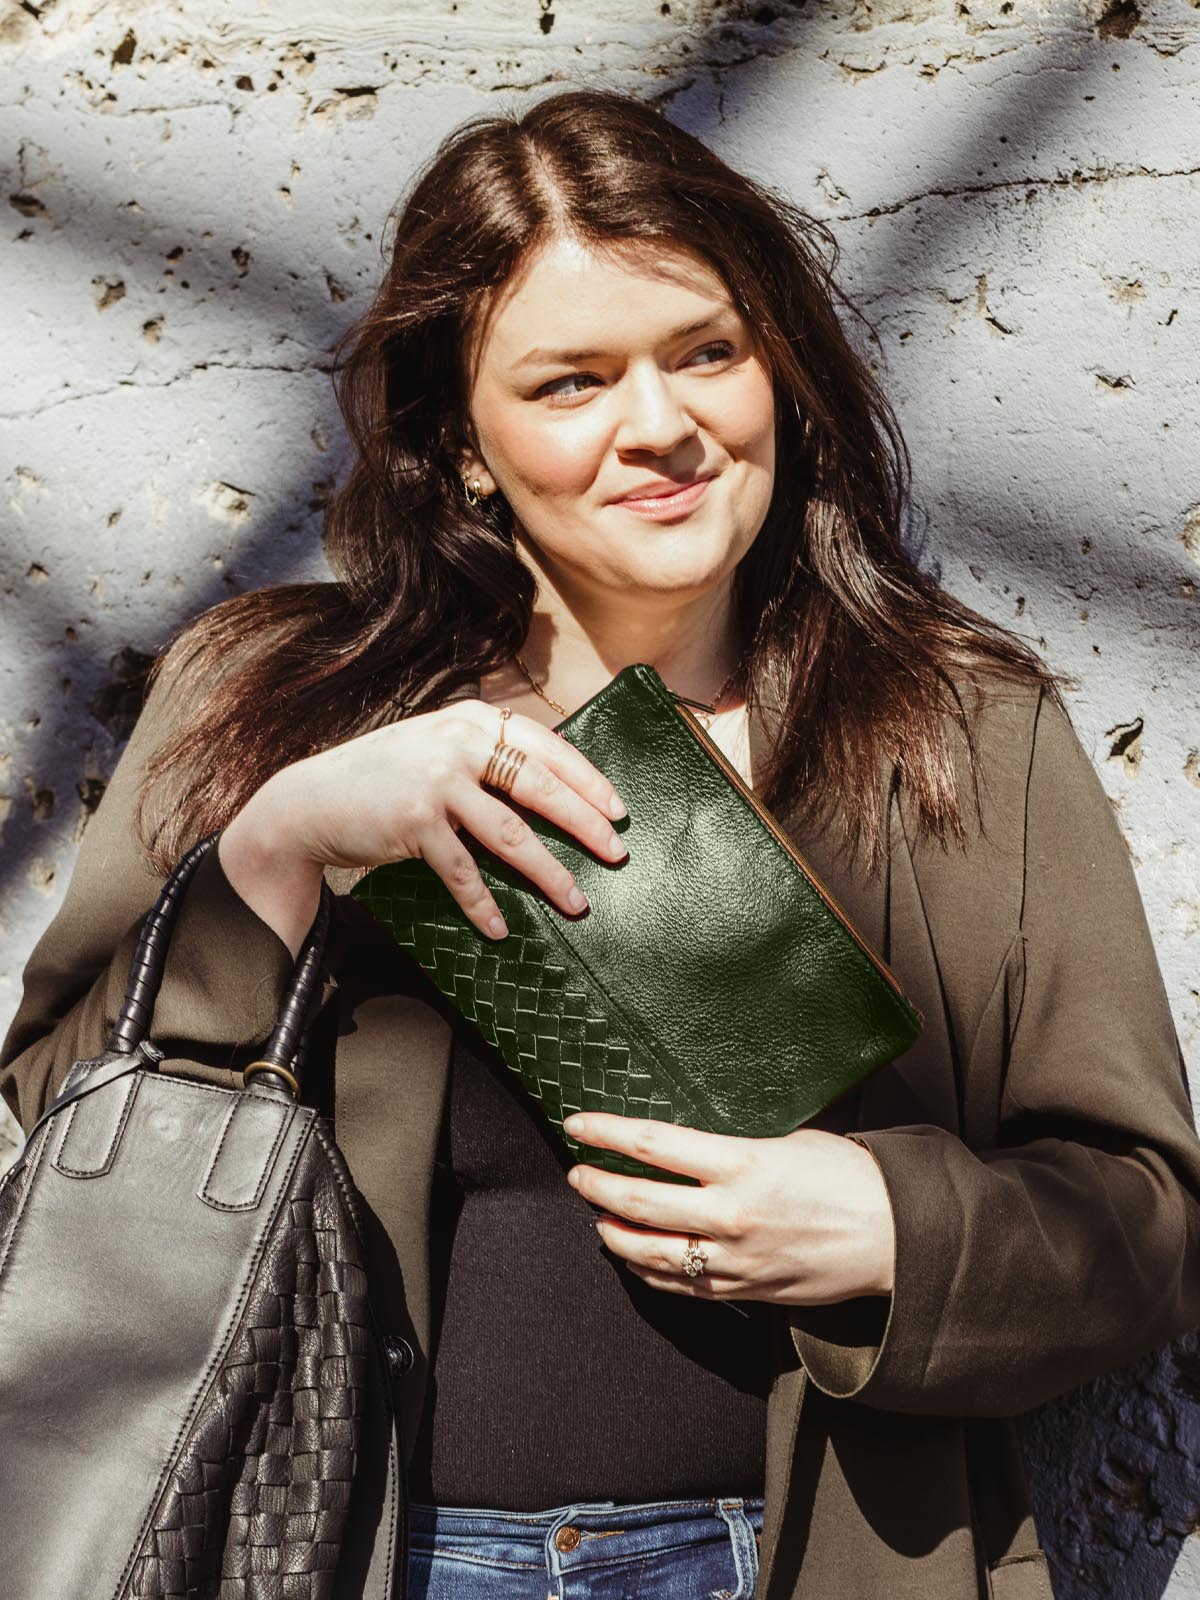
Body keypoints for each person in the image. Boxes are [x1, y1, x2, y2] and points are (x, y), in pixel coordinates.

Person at [3, 86, 1199, 1600]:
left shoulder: (961, 732)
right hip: (353, 1553)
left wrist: (895, 1229)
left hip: (808, 1560)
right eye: (571, 383)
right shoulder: (268, 696)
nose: (661, 427)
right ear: (465, 443)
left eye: (708, 352)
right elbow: (65, 1122)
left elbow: (1147, 1223)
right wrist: (279, 850)